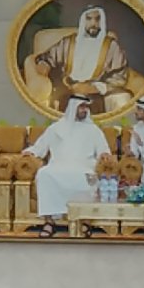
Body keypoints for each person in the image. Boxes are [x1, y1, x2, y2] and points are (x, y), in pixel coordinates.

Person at [25, 97, 107, 234]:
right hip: (58, 165)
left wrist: (104, 156)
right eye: (81, 107)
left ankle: (85, 222)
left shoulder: (94, 130)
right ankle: (49, 222)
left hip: (84, 168)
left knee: (88, 179)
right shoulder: (56, 128)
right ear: (73, 108)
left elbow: (104, 151)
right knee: (44, 174)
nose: (85, 110)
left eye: (86, 107)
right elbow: (40, 148)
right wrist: (30, 153)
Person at [32, 6, 132, 114]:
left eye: (97, 19)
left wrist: (96, 87)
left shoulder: (111, 46)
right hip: (68, 88)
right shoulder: (68, 42)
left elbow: (119, 75)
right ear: (83, 21)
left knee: (122, 98)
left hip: (97, 92)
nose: (93, 23)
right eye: (89, 19)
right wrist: (44, 63)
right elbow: (49, 57)